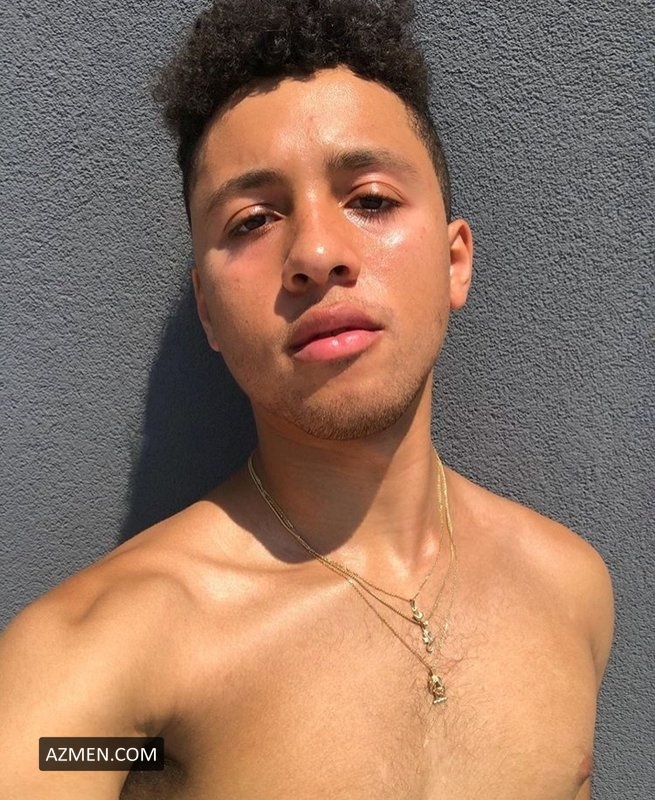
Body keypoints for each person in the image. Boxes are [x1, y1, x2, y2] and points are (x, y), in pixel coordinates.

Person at [0, 1, 614, 797]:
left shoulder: (570, 591)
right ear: (208, 311)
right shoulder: (109, 659)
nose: (317, 254)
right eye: (252, 220)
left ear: (454, 262)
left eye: (371, 199)